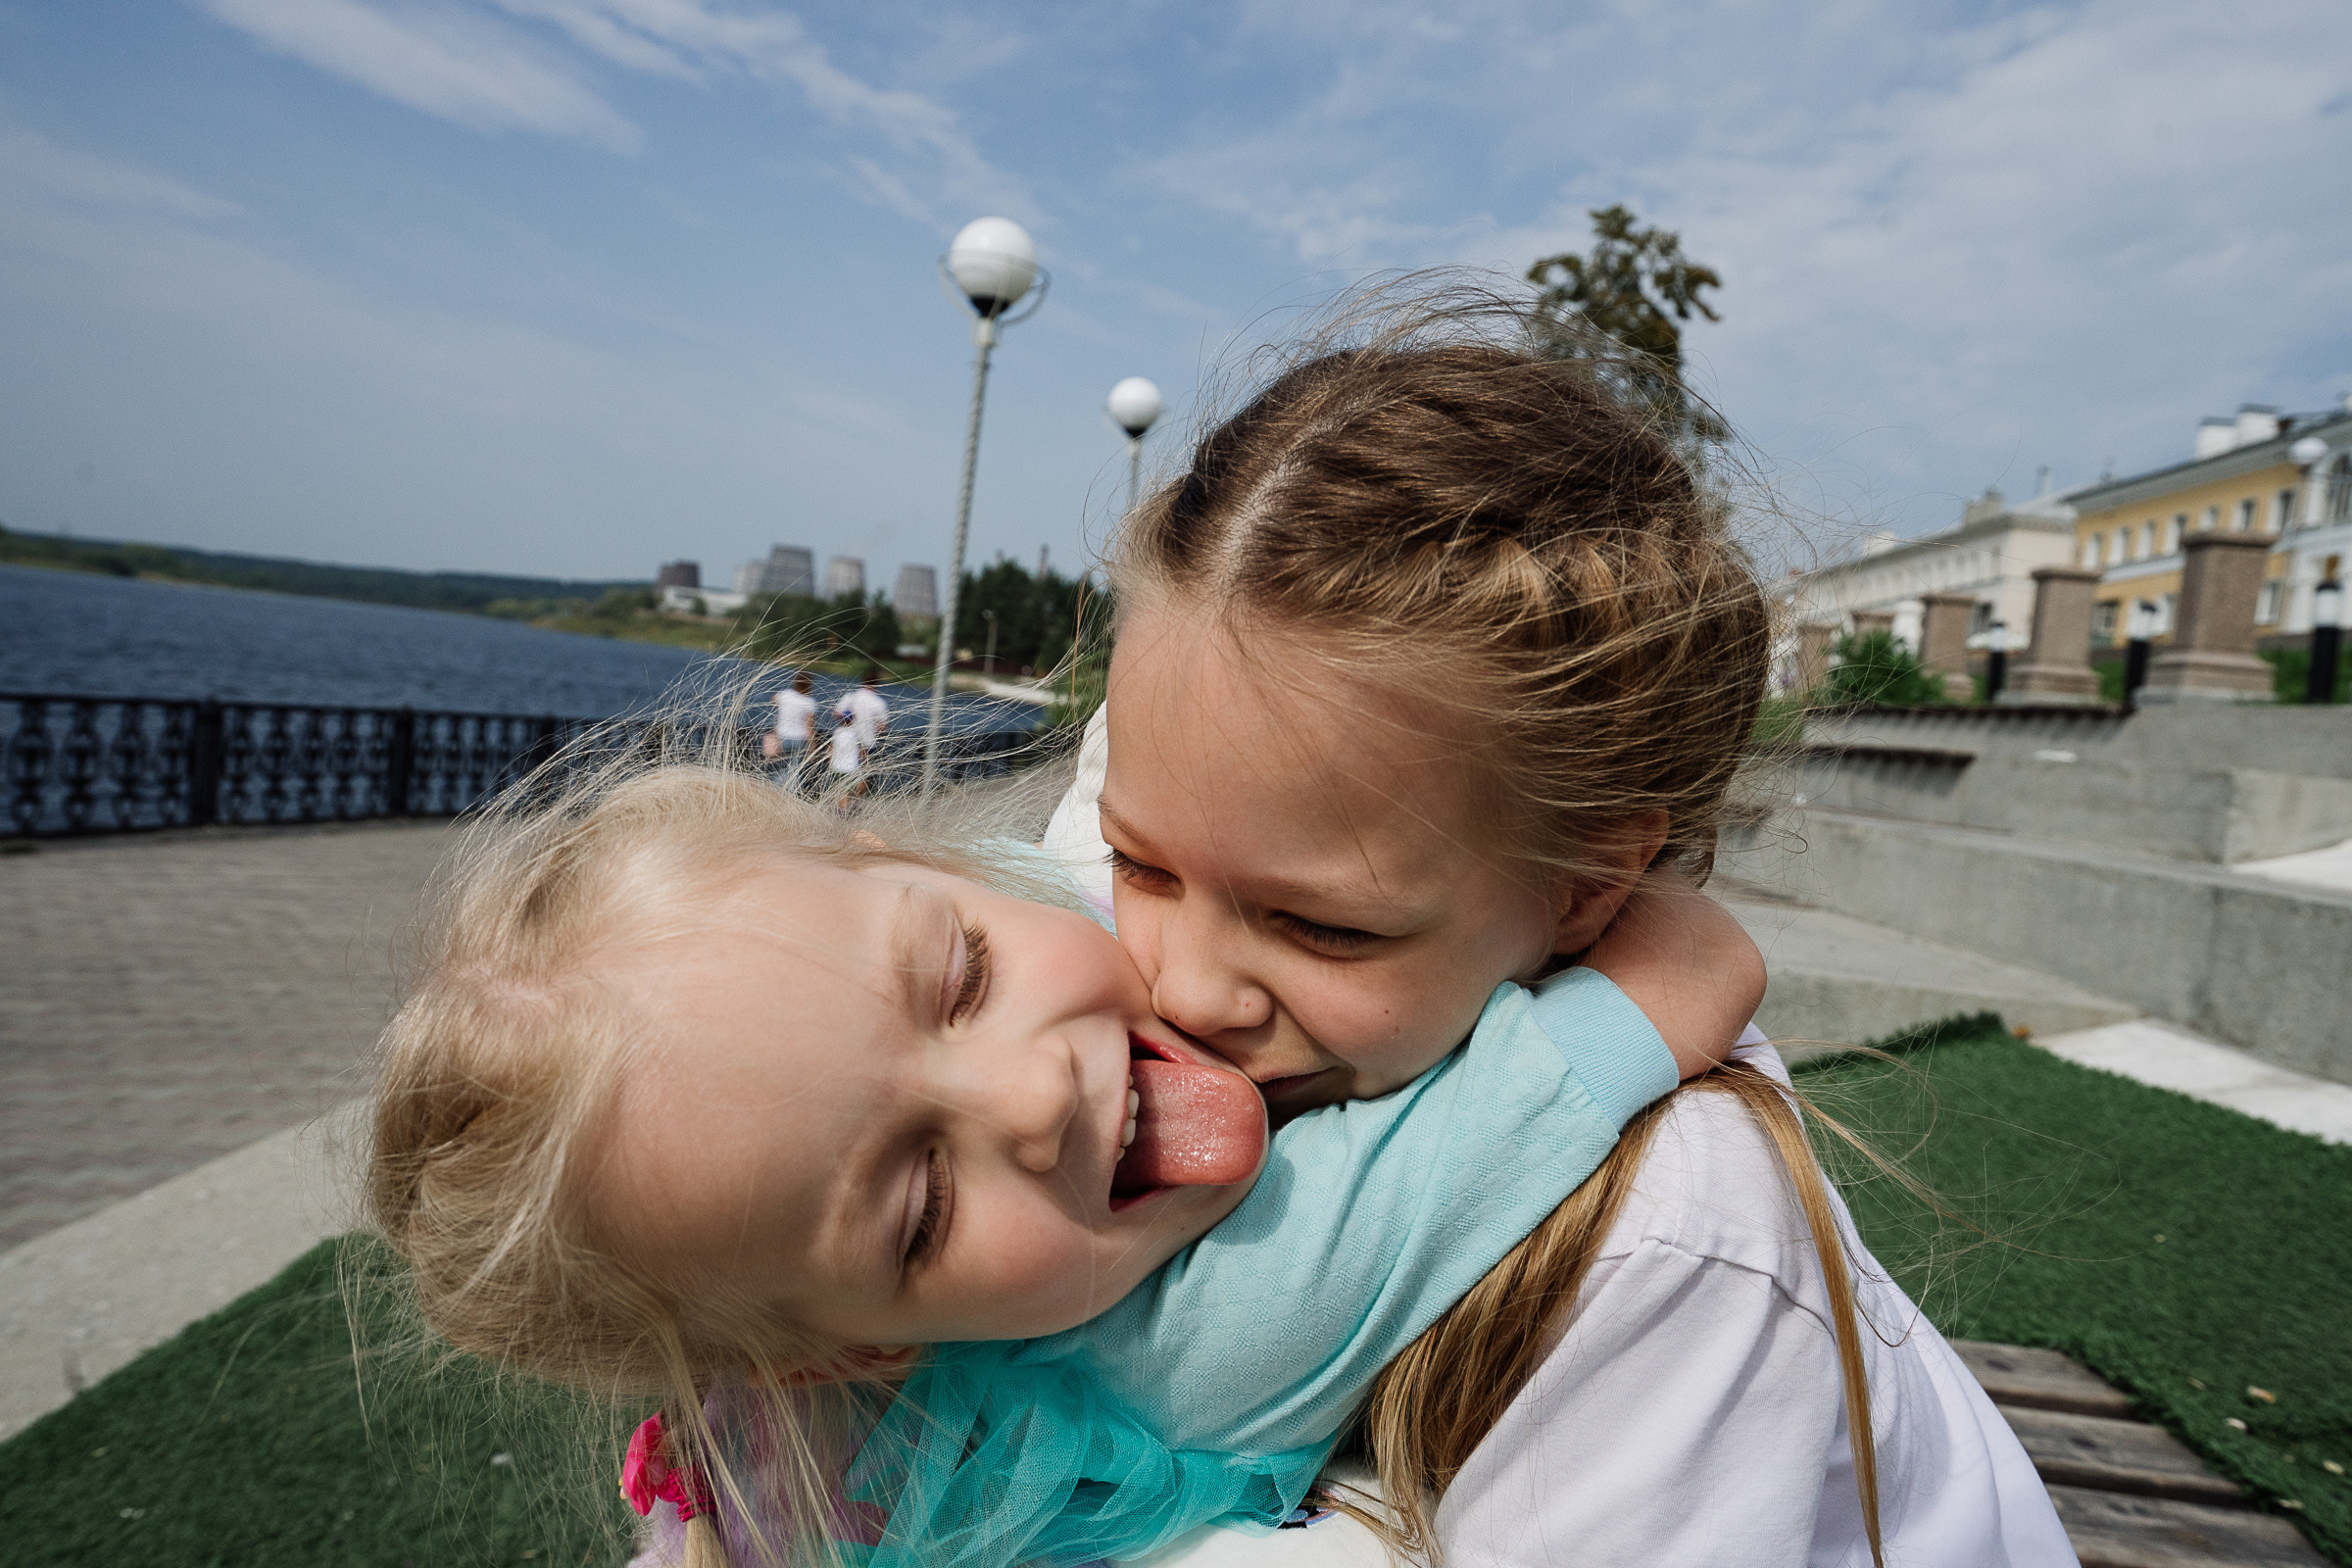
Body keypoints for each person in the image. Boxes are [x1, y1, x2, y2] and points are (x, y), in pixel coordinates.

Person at [1037, 294, 2068, 1566]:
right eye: (1139, 863)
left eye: (1320, 928)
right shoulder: (1138, 950)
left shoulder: (1672, 1241)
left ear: (1587, 883)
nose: (1182, 987)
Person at [367, 748, 1758, 1568]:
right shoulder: (1216, 1331)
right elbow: (1676, 982)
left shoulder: (754, 1291)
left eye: (963, 978)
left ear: (913, 859)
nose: (1032, 1097)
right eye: (918, 1205)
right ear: (844, 1357)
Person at [764, 672, 816, 790]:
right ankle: (788, 794)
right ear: (809, 685)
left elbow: (773, 699)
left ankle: (774, 790)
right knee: (794, 770)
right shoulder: (810, 702)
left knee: (780, 768)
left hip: (782, 736)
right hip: (799, 739)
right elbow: (809, 727)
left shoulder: (785, 695)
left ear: (795, 683)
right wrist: (812, 745)